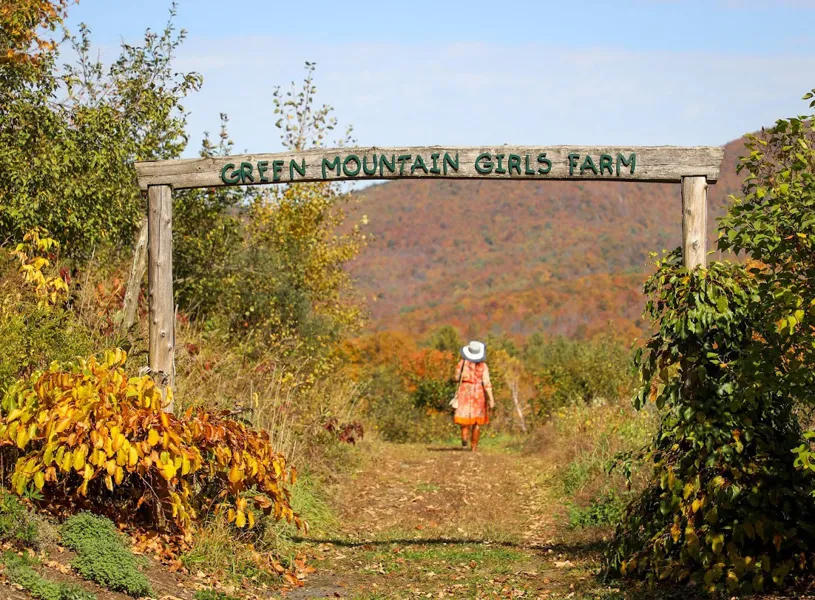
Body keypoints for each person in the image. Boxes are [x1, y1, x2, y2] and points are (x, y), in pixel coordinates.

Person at [452, 340, 495, 452]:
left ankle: (464, 443)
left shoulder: (462, 363)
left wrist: (462, 376)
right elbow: (487, 382)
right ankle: (474, 447)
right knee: (477, 422)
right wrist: (491, 399)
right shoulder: (483, 366)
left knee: (464, 419)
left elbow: (456, 378)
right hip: (478, 394)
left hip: (464, 392)